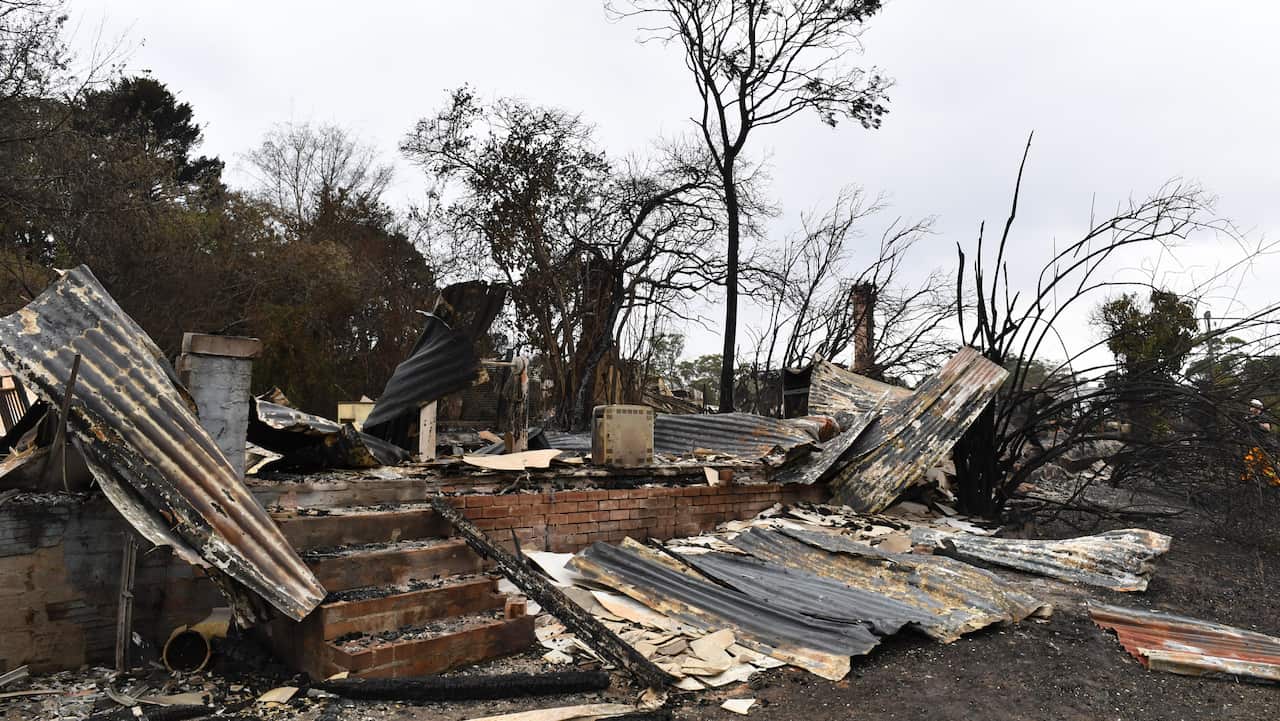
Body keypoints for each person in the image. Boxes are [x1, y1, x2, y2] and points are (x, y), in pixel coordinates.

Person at [1241, 399, 1278, 486]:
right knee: (1263, 464)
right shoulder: (1250, 417)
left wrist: (1257, 423)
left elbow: (1267, 428)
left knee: (1251, 461)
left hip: (1261, 443)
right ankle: (1274, 481)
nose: (1251, 409)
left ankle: (1246, 479)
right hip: (1253, 442)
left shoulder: (1262, 417)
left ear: (1257, 408)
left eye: (1252, 407)